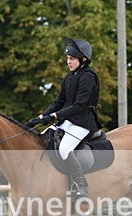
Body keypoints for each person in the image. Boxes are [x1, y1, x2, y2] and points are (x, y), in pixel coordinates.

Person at [26, 38, 100, 199]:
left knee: (65, 148)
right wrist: (41, 117)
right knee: (43, 138)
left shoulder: (88, 76)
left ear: (83, 59)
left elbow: (80, 105)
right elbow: (58, 102)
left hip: (84, 121)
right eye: (67, 58)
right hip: (70, 121)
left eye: (72, 59)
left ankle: (81, 187)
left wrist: (55, 116)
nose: (68, 61)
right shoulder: (69, 77)